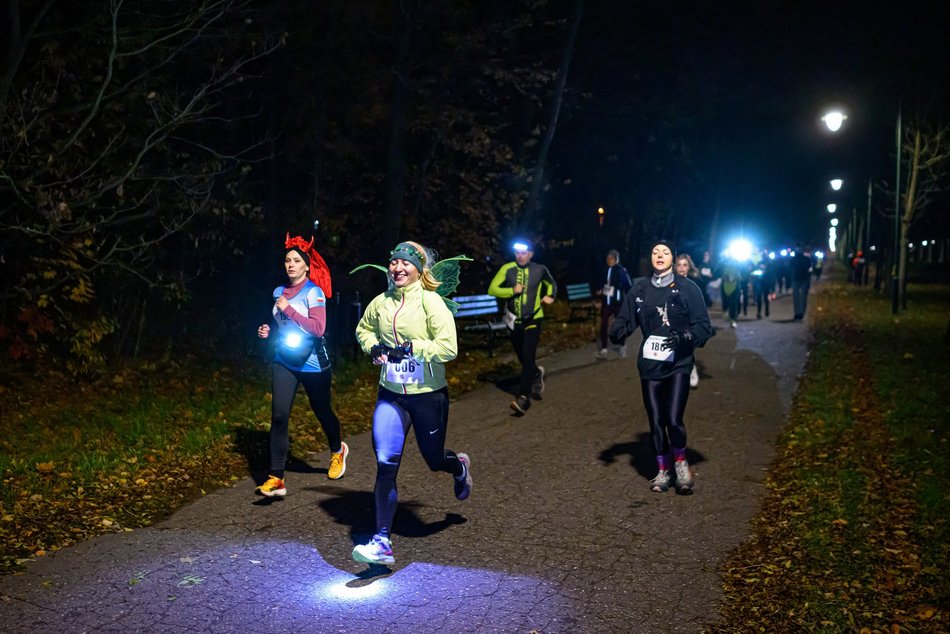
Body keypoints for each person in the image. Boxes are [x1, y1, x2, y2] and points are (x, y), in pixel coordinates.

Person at [351, 241, 472, 565]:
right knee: (385, 463)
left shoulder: (432, 303)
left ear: (419, 269)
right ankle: (381, 541)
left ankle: (457, 466)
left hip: (427, 395)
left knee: (434, 460)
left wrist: (413, 348)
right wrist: (374, 347)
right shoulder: (380, 303)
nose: (398, 268)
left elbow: (449, 348)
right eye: (393, 263)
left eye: (405, 263)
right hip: (391, 394)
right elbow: (363, 330)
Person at [609, 240, 713, 494]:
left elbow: (703, 326)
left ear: (672, 259)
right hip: (651, 364)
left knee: (673, 419)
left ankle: (680, 464)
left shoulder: (689, 288)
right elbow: (626, 319)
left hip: (679, 361)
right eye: (655, 251)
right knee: (656, 421)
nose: (659, 255)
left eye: (665, 252)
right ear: (650, 258)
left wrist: (685, 337)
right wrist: (617, 331)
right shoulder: (639, 289)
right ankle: (662, 470)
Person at [255, 233, 347, 497]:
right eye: (287, 260)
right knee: (280, 415)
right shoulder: (278, 292)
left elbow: (318, 329)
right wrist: (267, 331)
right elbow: (279, 324)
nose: (291, 265)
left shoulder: (314, 292)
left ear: (307, 265)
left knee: (321, 410)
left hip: (312, 362)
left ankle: (337, 450)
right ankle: (276, 478)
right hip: (284, 359)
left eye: (296, 260)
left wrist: (289, 310)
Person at [487, 239, 557, 415]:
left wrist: (550, 296)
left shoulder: (540, 269)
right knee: (523, 357)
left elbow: (552, 285)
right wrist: (511, 291)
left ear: (531, 254)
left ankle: (523, 397)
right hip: (513, 321)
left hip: (533, 318)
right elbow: (492, 289)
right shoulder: (507, 269)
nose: (520, 256)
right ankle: (536, 374)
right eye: (517, 252)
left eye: (524, 253)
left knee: (528, 354)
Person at [594, 249, 633, 360]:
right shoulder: (606, 270)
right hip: (607, 302)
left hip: (618, 302)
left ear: (616, 259)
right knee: (604, 323)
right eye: (607, 258)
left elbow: (629, 285)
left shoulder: (622, 271)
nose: (609, 260)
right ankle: (604, 349)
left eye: (611, 258)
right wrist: (600, 290)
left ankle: (622, 346)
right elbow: (602, 283)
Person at [674, 254, 702, 388]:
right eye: (679, 265)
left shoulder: (694, 283)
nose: (681, 268)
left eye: (684, 265)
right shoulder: (669, 281)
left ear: (689, 267)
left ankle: (691, 368)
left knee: (687, 345)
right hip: (674, 320)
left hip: (690, 320)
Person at [717, 256, 742, 328]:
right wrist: (722, 260)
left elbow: (745, 271)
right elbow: (716, 271)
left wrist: (740, 276)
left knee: (733, 303)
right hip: (725, 285)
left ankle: (733, 320)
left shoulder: (738, 263)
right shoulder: (723, 262)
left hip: (735, 285)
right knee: (725, 303)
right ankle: (725, 310)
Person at [790, 243, 813, 320]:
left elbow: (810, 268)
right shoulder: (793, 259)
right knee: (796, 297)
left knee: (803, 297)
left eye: (799, 248)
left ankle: (801, 313)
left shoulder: (806, 258)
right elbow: (789, 268)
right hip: (796, 279)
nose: (798, 250)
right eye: (797, 248)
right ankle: (797, 313)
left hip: (804, 279)